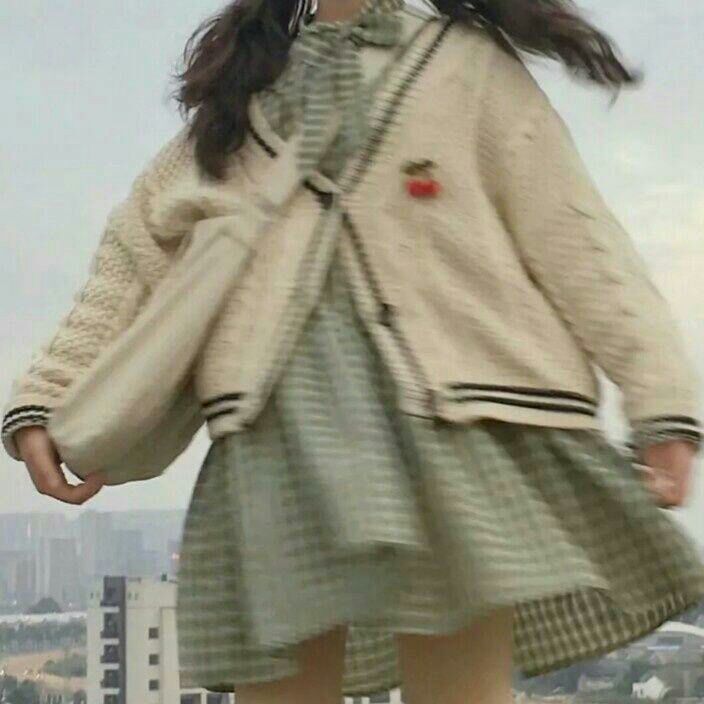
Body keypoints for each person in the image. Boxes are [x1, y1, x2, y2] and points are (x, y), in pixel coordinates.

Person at [3, 0, 704, 702]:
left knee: (460, 688)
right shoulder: (238, 101)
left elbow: (577, 237)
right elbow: (136, 251)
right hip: (276, 434)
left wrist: (662, 402)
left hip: (454, 426)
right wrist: (48, 391)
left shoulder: (467, 67)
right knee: (281, 688)